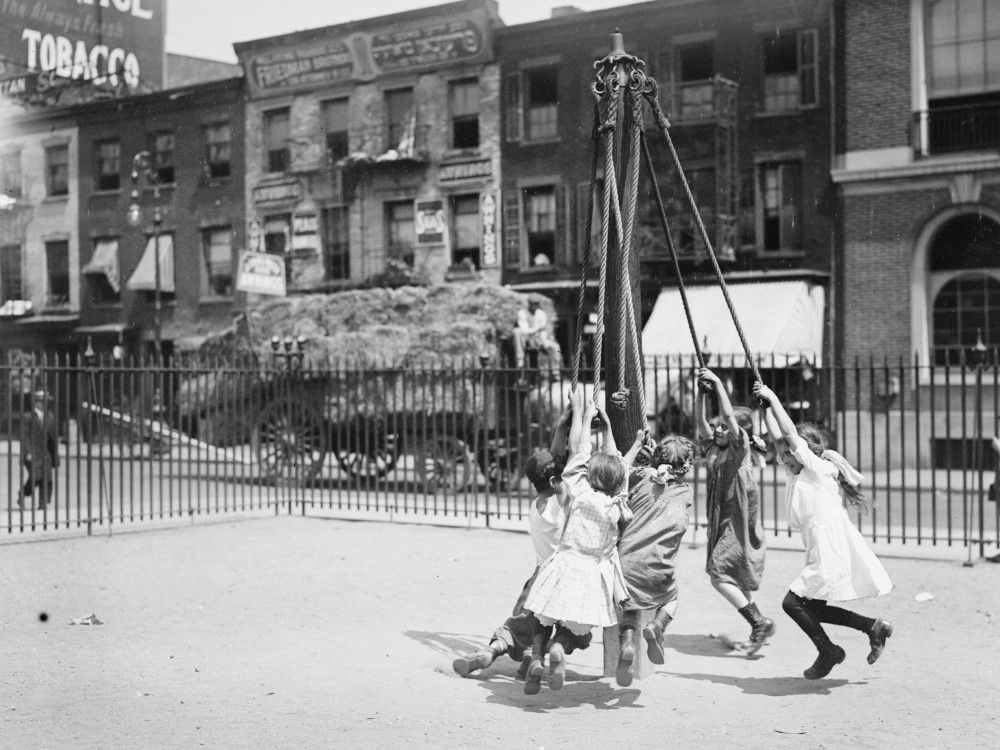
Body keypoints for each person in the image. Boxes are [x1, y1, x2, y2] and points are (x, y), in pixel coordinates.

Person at [754, 381, 893, 680]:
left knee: (792, 603)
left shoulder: (817, 469)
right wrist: (763, 408)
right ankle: (873, 627)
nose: (781, 459)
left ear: (802, 453)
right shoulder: (799, 472)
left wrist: (773, 396)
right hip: (820, 545)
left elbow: (789, 434)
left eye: (787, 455)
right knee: (813, 607)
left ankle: (828, 651)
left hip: (829, 546)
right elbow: (781, 436)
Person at [452, 405, 592, 685]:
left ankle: (492, 652)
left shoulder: (537, 505)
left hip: (539, 577)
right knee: (577, 628)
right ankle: (550, 650)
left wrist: (562, 426)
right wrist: (583, 420)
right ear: (556, 481)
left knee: (521, 624)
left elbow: (554, 463)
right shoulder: (561, 504)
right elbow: (575, 458)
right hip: (565, 576)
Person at [522, 386, 633, 694]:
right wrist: (607, 423)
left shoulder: (572, 493)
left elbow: (578, 449)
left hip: (561, 566)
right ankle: (562, 645)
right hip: (593, 571)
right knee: (581, 630)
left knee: (543, 618)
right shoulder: (617, 505)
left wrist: (583, 415)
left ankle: (538, 658)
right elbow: (620, 467)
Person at [696, 368, 774, 655]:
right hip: (723, 519)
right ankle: (758, 626)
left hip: (738, 521)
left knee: (718, 575)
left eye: (723, 427)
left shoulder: (739, 450)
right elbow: (700, 422)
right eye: (717, 427)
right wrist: (700, 393)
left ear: (739, 432)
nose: (718, 429)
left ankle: (759, 621)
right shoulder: (715, 449)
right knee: (732, 575)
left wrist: (717, 383)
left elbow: (730, 417)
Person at [614, 434, 694, 686]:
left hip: (627, 563)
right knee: (672, 600)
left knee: (627, 608)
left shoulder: (641, 476)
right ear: (688, 466)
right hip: (661, 569)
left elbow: (619, 471)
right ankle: (658, 625)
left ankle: (627, 645)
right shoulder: (686, 492)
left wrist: (638, 448)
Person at [20, 390, 59, 510]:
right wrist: (28, 452)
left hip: (46, 453)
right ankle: (23, 494)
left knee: (46, 478)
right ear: (37, 403)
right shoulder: (28, 416)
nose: (46, 404)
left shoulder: (50, 416)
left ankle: (43, 503)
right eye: (44, 402)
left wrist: (54, 454)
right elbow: (24, 435)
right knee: (36, 477)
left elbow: (52, 436)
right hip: (33, 453)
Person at [512, 299, 557, 380]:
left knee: (555, 347)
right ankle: (520, 359)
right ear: (530, 304)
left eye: (536, 304)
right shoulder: (522, 313)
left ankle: (555, 372)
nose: (535, 306)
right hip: (527, 339)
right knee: (517, 332)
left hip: (539, 338)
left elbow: (543, 329)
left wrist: (542, 337)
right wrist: (537, 329)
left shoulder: (540, 313)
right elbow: (525, 330)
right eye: (533, 304)